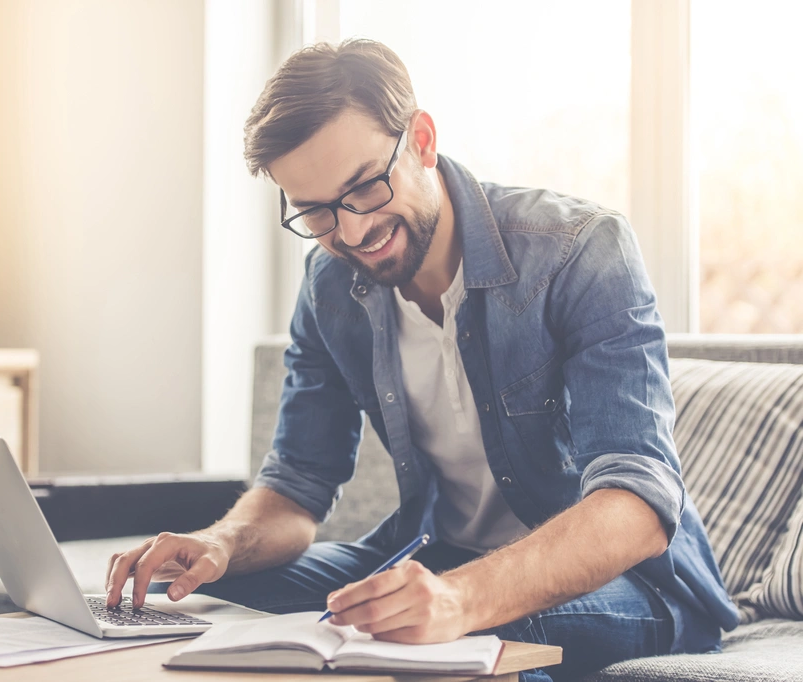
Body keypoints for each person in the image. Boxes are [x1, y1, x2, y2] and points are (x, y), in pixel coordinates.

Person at [104, 39, 738, 681]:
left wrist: (459, 599)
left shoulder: (580, 250)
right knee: (203, 605)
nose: (352, 233)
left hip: (636, 584)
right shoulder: (329, 286)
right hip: (440, 559)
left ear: (423, 141)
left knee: (456, 640)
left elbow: (636, 504)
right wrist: (221, 543)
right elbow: (298, 486)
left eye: (364, 187)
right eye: (316, 212)